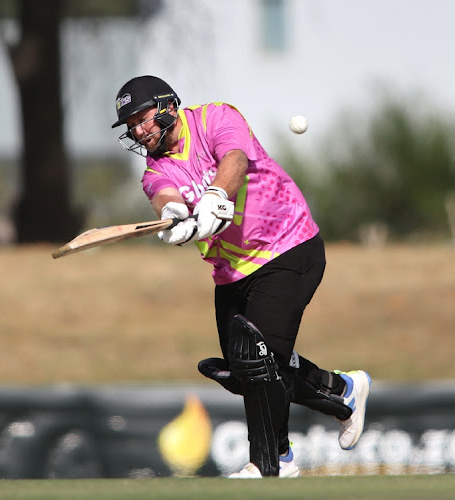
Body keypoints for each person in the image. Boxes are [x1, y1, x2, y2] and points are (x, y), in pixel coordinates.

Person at [111, 75, 371, 478]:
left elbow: (234, 158)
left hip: (287, 245)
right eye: (131, 125)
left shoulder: (216, 118)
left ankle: (272, 464)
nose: (139, 130)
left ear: (166, 105)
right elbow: (165, 194)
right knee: (248, 371)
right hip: (230, 272)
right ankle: (341, 393)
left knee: (258, 360)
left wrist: (216, 196)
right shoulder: (153, 170)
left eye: (142, 118)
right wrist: (172, 218)